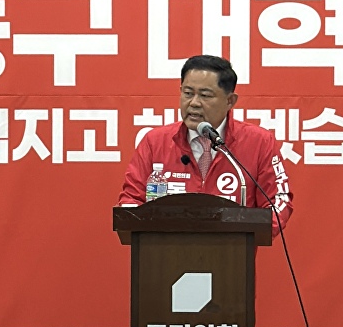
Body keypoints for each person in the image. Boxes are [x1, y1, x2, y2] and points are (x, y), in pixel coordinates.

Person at [118, 55, 293, 233]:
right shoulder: (155, 142)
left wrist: (243, 233)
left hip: (232, 249)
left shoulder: (259, 142)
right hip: (163, 249)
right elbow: (131, 200)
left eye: (205, 95)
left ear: (230, 101)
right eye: (188, 93)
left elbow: (279, 202)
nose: (194, 103)